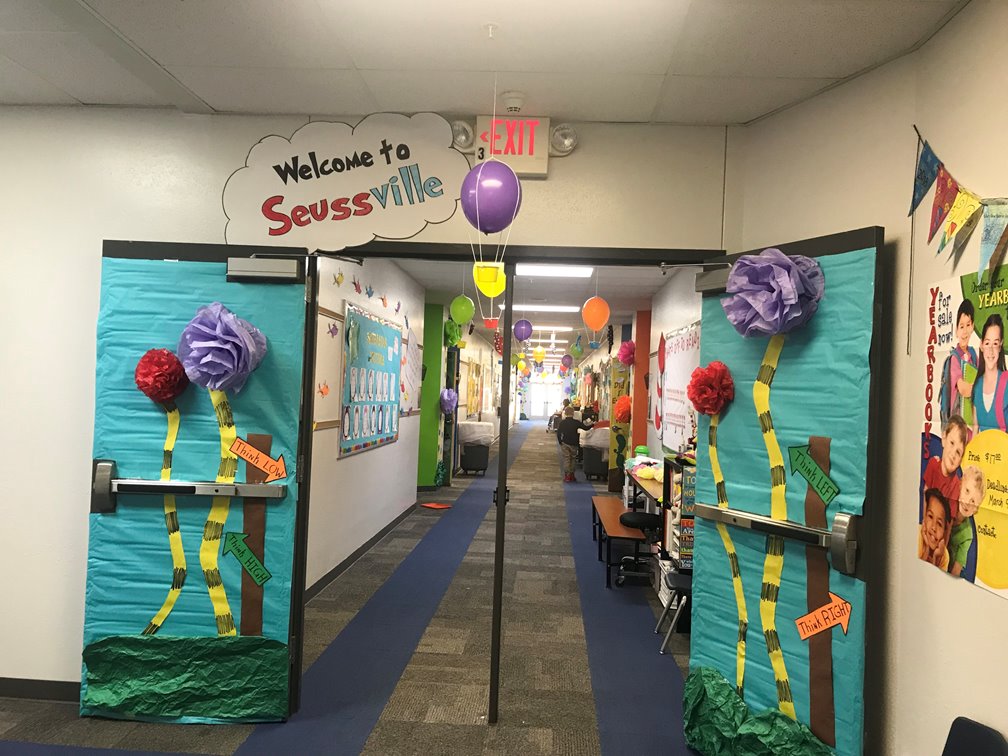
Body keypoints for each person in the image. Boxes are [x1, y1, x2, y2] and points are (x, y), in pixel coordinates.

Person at [922, 415, 967, 522]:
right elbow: (925, 494)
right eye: (952, 443)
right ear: (944, 439)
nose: (953, 454)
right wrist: (925, 522)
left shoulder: (956, 485)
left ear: (961, 460)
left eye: (958, 452)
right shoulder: (933, 464)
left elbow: (949, 521)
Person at [971, 313, 1008, 433]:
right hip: (983, 446)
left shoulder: (1006, 382)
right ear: (981, 345)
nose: (991, 351)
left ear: (1000, 345)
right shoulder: (977, 386)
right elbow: (975, 430)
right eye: (987, 343)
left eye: (995, 344)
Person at [948, 465, 985, 577]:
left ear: (976, 509)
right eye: (967, 491)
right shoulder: (948, 506)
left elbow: (956, 570)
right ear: (960, 485)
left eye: (973, 501)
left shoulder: (967, 534)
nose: (967, 502)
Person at [945, 300, 978, 425]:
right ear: (956, 330)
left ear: (973, 326)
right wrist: (978, 388)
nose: (965, 331)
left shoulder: (973, 354)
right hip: (958, 422)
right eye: (961, 326)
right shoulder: (955, 358)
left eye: (968, 325)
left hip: (971, 419)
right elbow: (964, 389)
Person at [557, 406, 591, 482]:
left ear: (565, 413)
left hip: (565, 442)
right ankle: (572, 475)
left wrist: (560, 441)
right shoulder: (576, 422)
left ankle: (567, 475)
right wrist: (593, 424)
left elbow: (559, 433)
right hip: (574, 443)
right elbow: (586, 428)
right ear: (573, 413)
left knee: (567, 459)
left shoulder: (562, 423)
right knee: (573, 459)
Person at [919, 488, 950, 570]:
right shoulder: (917, 537)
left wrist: (935, 557)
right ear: (924, 517)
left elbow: (933, 576)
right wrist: (926, 550)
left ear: (944, 531)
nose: (933, 527)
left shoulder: (944, 555)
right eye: (930, 516)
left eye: (939, 524)